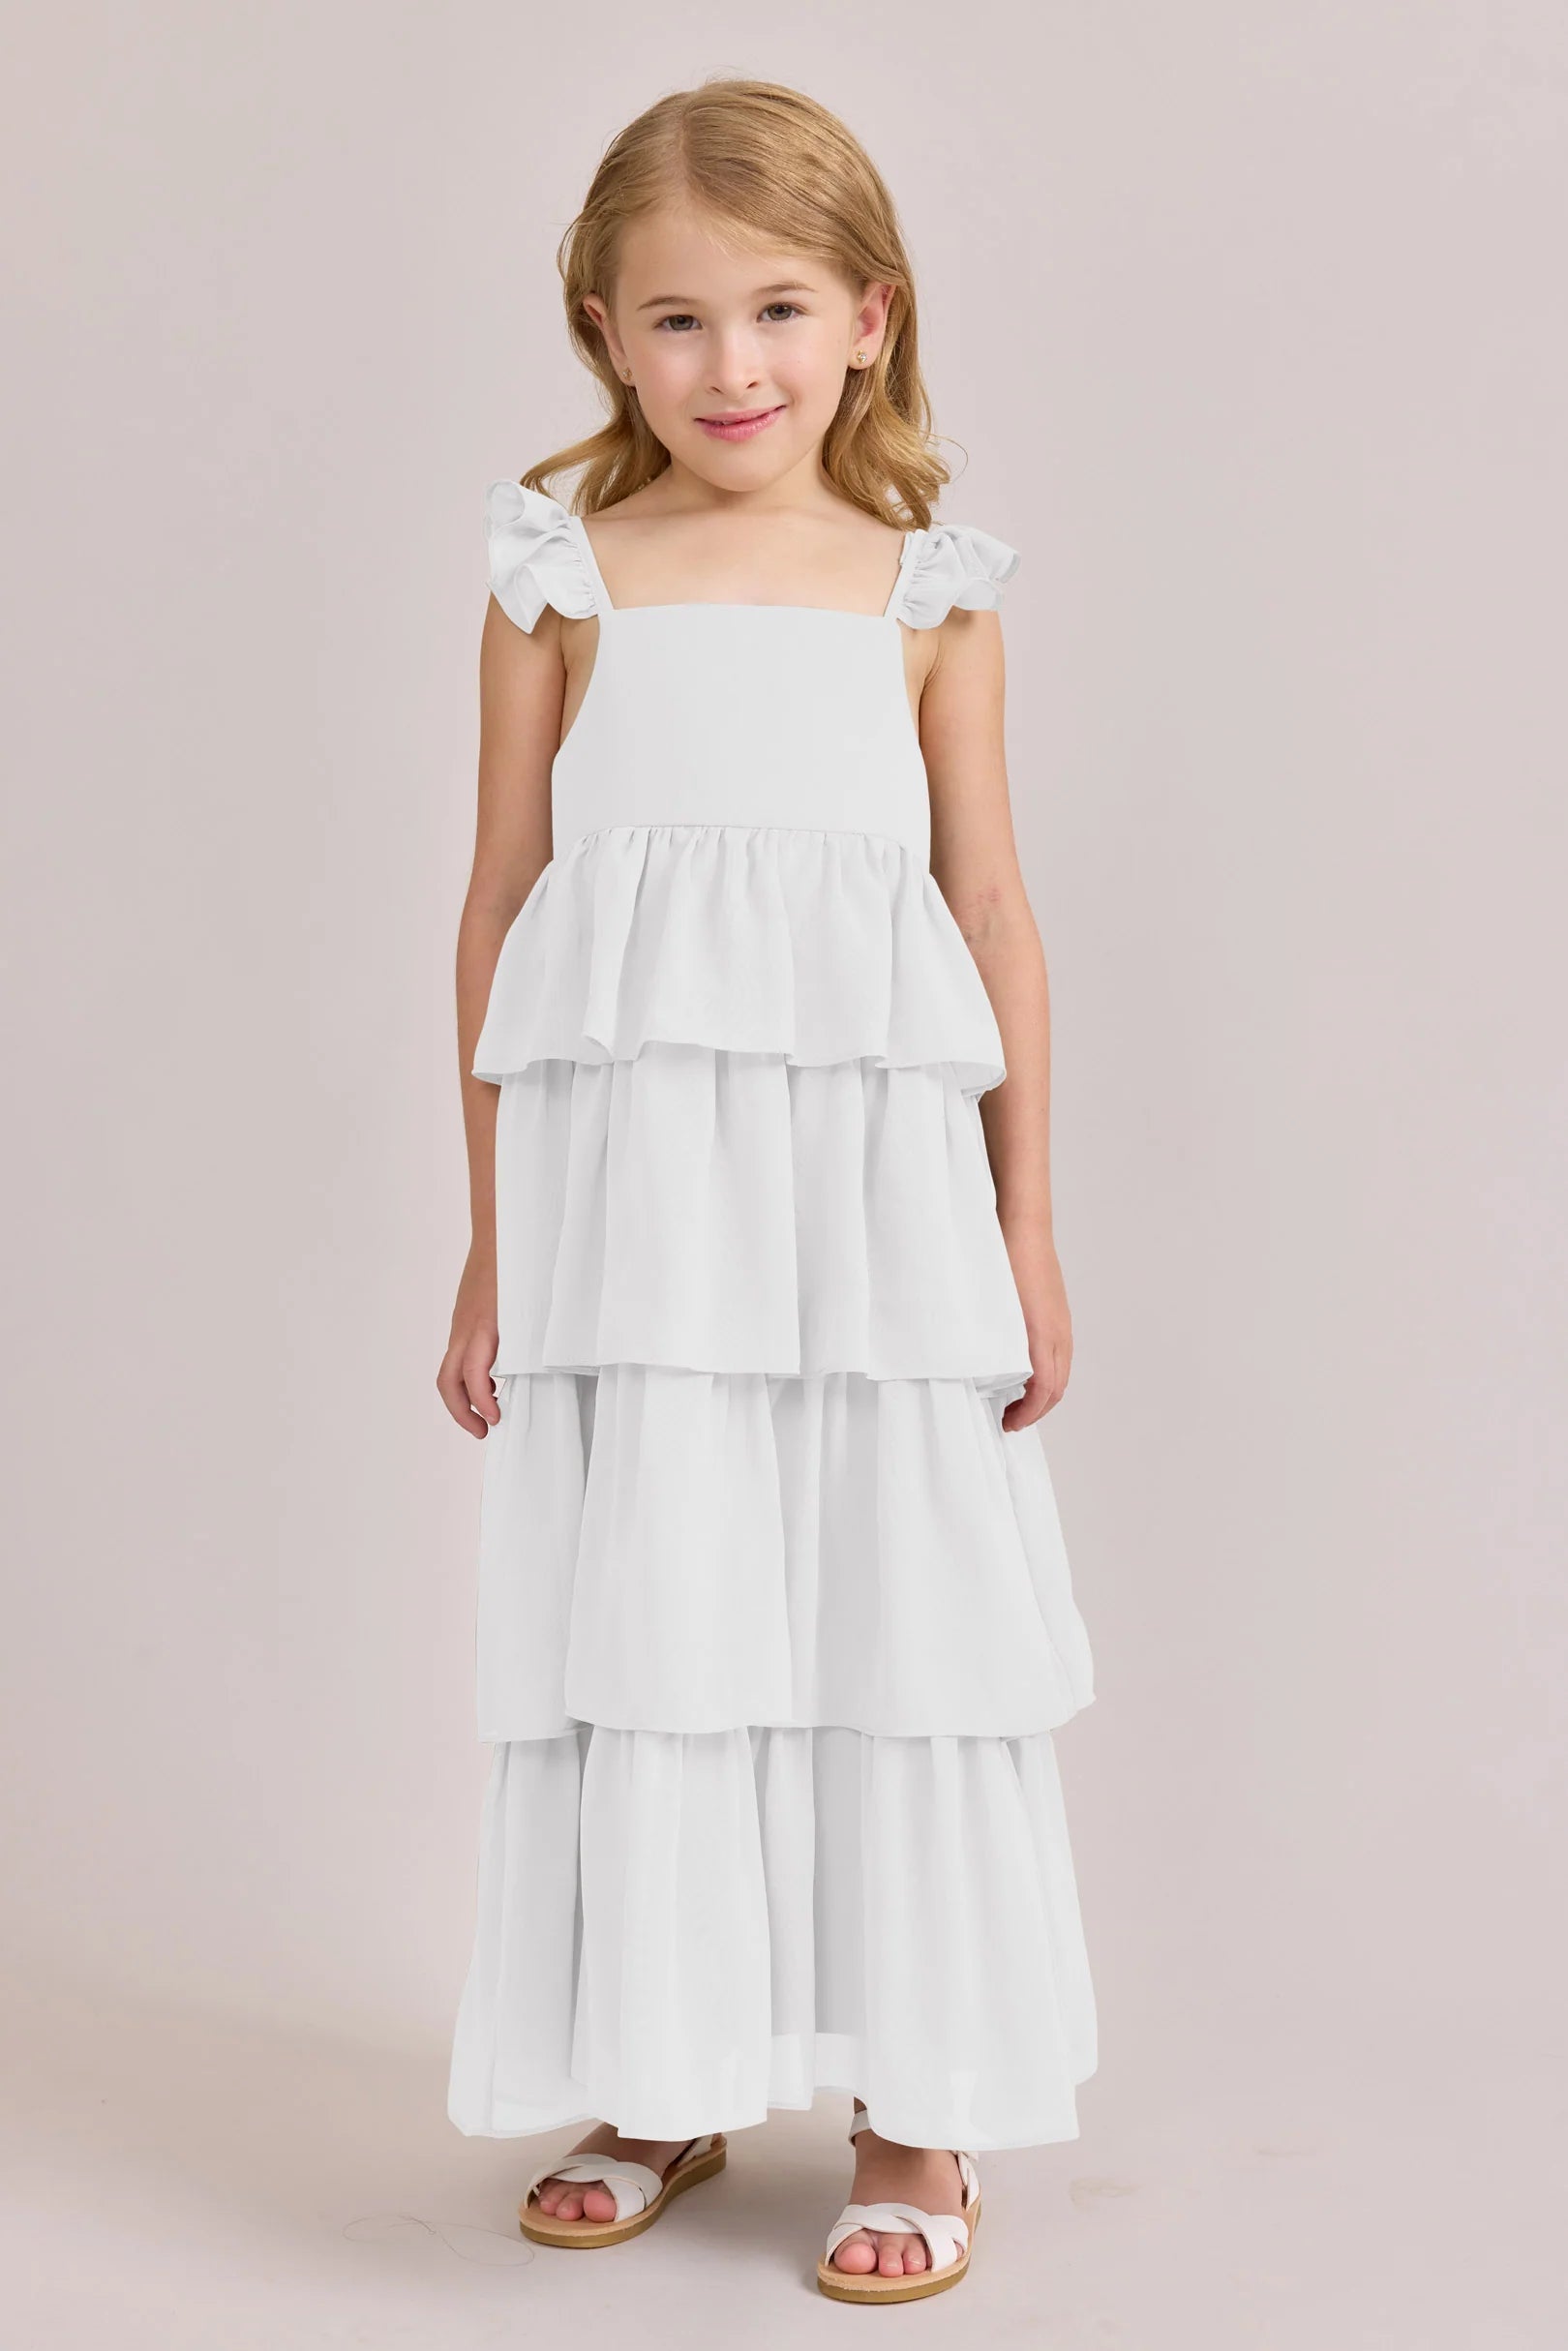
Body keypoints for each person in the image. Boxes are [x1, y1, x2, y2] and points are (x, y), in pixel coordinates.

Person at [437, 77, 1097, 2306]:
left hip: (875, 1214)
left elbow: (989, 908)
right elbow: (501, 904)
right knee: (666, 1611)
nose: (734, 365)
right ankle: (666, 2070)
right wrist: (494, 1237)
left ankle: (916, 2111)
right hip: (639, 1219)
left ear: (869, 320)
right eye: (678, 318)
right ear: (603, 334)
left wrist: (1023, 1226)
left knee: (890, 1613)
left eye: (781, 310)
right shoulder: (558, 579)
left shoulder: (929, 595)